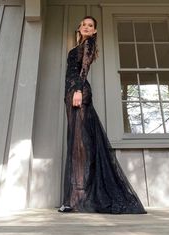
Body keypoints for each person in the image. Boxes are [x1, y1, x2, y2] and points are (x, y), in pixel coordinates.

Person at [58, 16, 146, 214]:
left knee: (80, 144)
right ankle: (76, 197)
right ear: (79, 28)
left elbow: (85, 68)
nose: (87, 27)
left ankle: (77, 198)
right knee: (76, 143)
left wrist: (79, 90)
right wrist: (71, 92)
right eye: (84, 24)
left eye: (91, 26)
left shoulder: (88, 44)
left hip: (79, 92)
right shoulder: (79, 45)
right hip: (70, 93)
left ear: (94, 31)